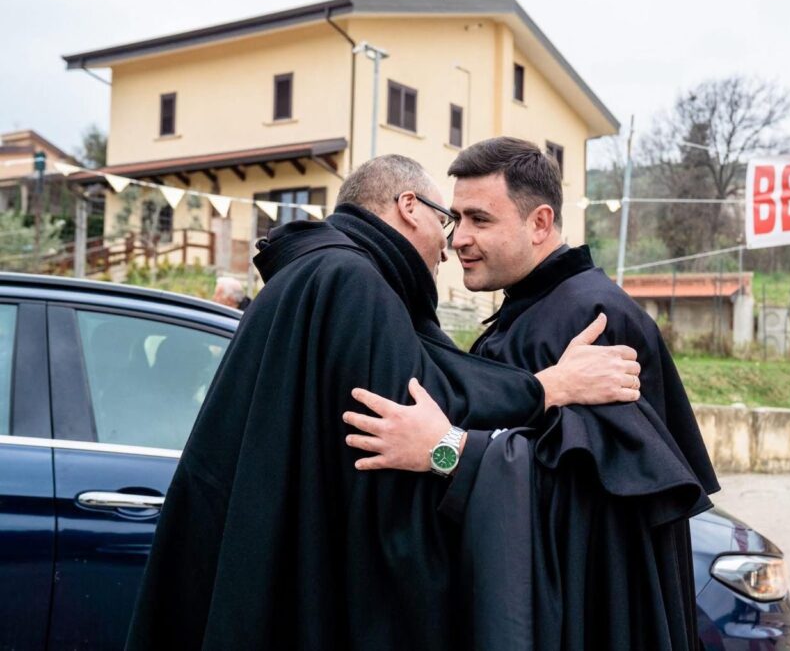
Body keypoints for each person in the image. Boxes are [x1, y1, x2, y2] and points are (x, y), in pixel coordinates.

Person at [125, 154, 640, 651]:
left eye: (475, 219)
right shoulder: (353, 284)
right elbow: (417, 407)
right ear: (409, 207)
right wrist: (550, 388)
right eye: (448, 219)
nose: (449, 245)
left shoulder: (312, 276)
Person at [343, 137, 720, 650]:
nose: (460, 240)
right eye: (457, 219)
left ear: (540, 223)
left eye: (481, 220)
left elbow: (590, 507)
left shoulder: (589, 319)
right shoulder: (532, 310)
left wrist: (445, 449)